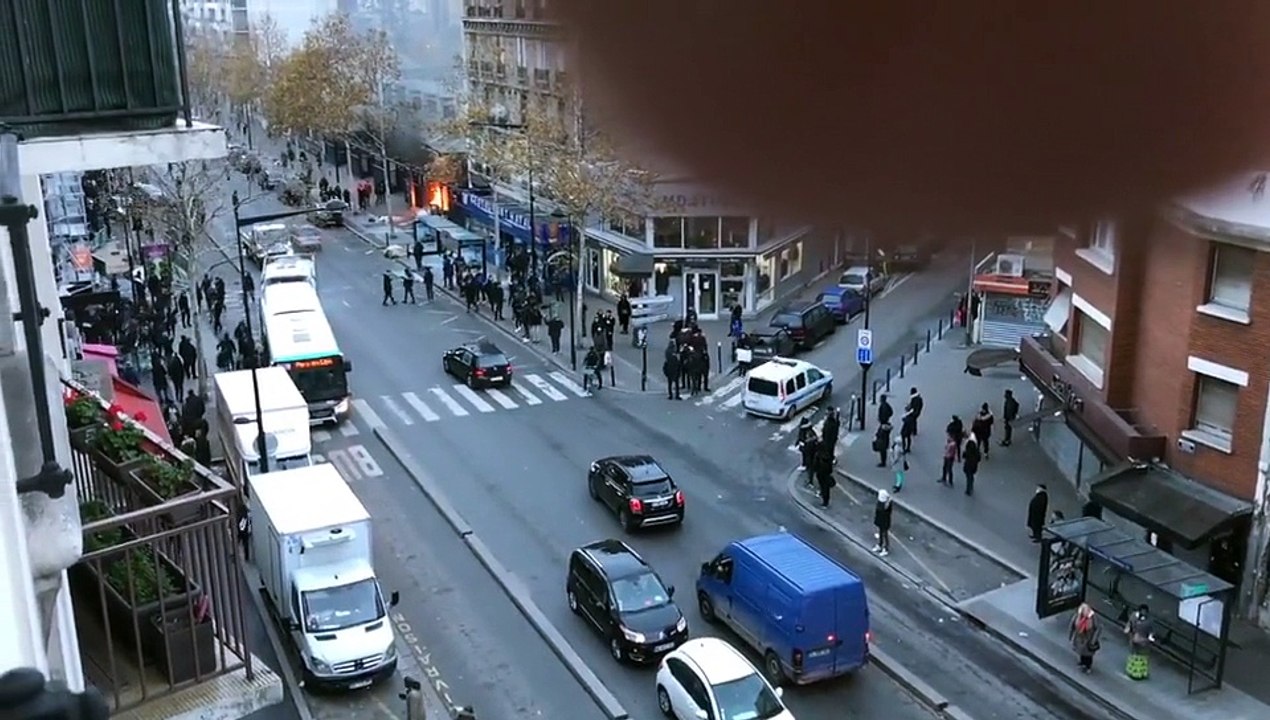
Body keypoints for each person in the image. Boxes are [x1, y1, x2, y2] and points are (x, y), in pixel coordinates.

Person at [1124, 605, 1155, 680]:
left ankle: (1141, 673)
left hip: (1143, 641)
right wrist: (1127, 628)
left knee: (1142, 658)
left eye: (1145, 611)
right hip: (1133, 638)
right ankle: (1132, 672)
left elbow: (1152, 630)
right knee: (1133, 656)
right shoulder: (1134, 616)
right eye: (1142, 611)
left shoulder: (1149, 620)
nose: (1144, 613)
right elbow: (1129, 623)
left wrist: (1150, 636)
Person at [1069, 603, 1102, 673]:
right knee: (1081, 652)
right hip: (1079, 638)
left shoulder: (1092, 617)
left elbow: (1098, 628)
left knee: (1088, 655)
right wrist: (1070, 635)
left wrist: (1093, 640)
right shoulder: (1078, 615)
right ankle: (1082, 662)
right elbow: (1072, 625)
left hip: (1089, 640)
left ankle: (1088, 666)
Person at [872, 489, 893, 556]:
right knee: (881, 533)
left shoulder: (886, 505)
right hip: (881, 520)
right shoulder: (882, 503)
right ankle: (880, 544)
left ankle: (886, 548)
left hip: (885, 521)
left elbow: (885, 513)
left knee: (885, 534)